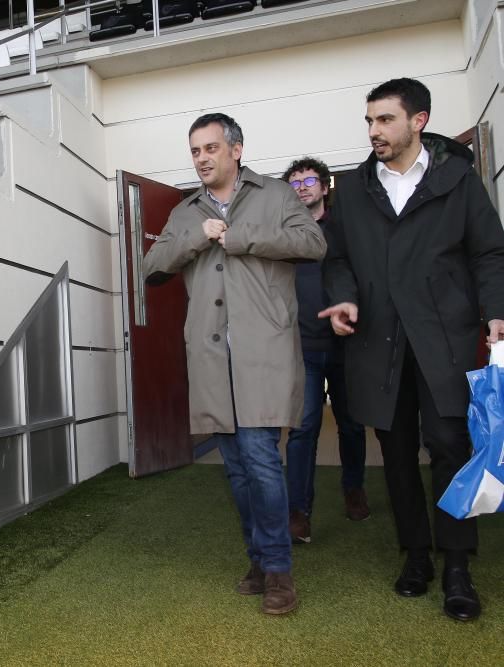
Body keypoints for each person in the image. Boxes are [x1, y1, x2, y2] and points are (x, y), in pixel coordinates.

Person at [320, 77, 504, 622]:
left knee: (449, 445)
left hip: (444, 339)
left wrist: (496, 312)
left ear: (417, 120)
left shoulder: (458, 181)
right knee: (395, 452)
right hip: (378, 341)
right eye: (370, 120)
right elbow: (337, 261)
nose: (374, 130)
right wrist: (345, 299)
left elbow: (490, 253)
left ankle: (456, 566)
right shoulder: (351, 190)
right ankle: (416, 556)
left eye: (385, 119)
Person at [143, 113, 326, 615]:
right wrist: (198, 236)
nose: (201, 158)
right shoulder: (185, 212)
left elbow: (313, 243)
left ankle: (279, 571)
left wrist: (240, 236)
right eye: (195, 151)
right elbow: (152, 267)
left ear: (236, 150)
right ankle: (261, 560)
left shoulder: (276, 195)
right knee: (239, 470)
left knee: (262, 459)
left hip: (264, 352)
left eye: (210, 149)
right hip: (209, 354)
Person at [281, 157, 370, 546]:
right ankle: (298, 511)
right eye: (294, 182)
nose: (302, 187)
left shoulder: (345, 228)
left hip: (347, 344)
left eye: (309, 179)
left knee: (351, 424)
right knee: (303, 430)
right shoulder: (283, 235)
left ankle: (354, 488)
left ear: (325, 186)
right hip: (302, 346)